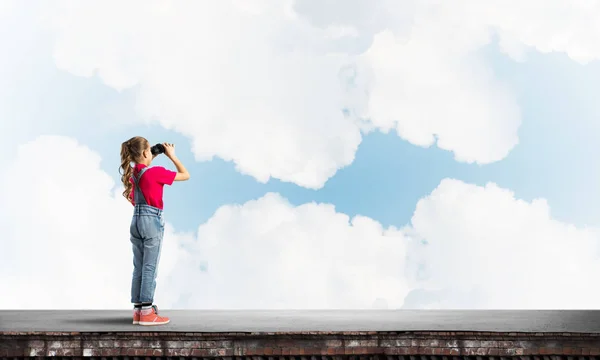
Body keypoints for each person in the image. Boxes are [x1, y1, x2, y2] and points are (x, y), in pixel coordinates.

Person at [119, 136, 190, 325]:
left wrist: (151, 154)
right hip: (151, 220)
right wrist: (171, 156)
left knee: (139, 266)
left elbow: (135, 194)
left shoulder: (134, 174)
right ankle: (147, 313)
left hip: (136, 219)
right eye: (149, 150)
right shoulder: (156, 173)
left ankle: (138, 311)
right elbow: (185, 174)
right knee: (150, 266)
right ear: (144, 153)